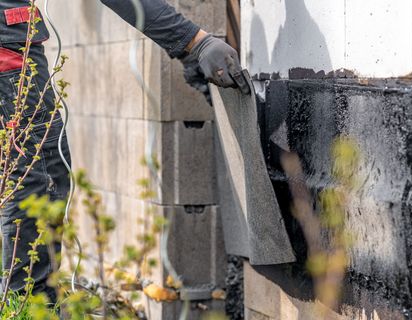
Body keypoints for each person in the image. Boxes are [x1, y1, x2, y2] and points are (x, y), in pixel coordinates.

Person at [0, 0, 246, 303]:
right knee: (38, 182)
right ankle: (25, 307)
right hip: (8, 59)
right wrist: (195, 42)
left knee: (33, 178)